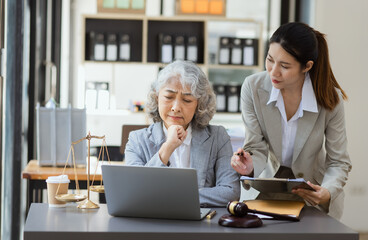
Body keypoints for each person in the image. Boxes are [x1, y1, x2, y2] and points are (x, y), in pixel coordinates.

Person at [231, 22, 352, 219]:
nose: (273, 72)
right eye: (270, 60)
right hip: (267, 191)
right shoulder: (252, 88)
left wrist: (327, 191)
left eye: (284, 66)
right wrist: (249, 165)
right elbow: (256, 147)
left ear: (307, 66)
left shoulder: (330, 99)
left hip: (313, 193)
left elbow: (339, 161)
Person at [125, 60, 240, 207]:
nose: (176, 107)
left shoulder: (218, 137)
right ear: (156, 97)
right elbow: (134, 191)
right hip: (153, 224)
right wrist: (168, 147)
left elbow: (230, 192)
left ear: (199, 104)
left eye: (186, 100)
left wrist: (172, 196)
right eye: (168, 97)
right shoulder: (137, 140)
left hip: (202, 225)